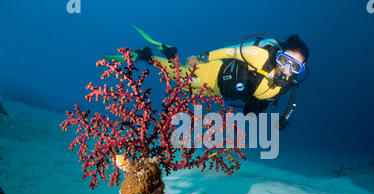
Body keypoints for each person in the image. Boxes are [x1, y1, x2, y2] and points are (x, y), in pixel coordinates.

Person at [106, 27, 309, 128]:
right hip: (213, 73)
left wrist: (253, 111)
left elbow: (263, 99)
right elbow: (231, 52)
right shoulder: (262, 56)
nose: (286, 68)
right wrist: (203, 57)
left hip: (219, 91)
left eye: (295, 66)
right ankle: (145, 55)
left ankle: (169, 50)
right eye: (284, 60)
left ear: (300, 69)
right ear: (279, 55)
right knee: (179, 78)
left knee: (182, 81)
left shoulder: (285, 87)